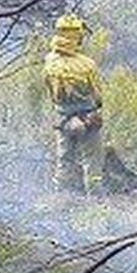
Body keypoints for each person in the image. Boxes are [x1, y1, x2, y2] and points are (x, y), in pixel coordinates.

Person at [42, 14, 105, 193]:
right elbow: (98, 95)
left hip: (62, 118)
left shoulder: (49, 62)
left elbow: (48, 88)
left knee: (64, 160)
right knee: (92, 161)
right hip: (88, 117)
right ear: (77, 36)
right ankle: (95, 202)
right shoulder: (87, 65)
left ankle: (60, 197)